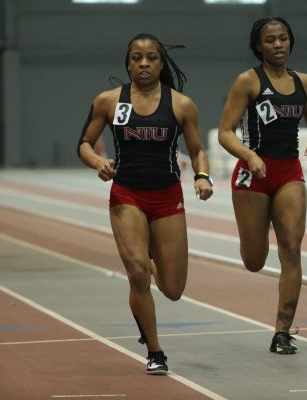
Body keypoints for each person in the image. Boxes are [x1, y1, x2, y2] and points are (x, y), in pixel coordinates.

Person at [77, 33, 213, 374]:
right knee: (137, 272)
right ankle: (155, 351)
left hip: (167, 197)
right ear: (128, 63)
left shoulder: (181, 104)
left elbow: (197, 149)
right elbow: (84, 144)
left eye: (151, 57)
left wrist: (202, 175)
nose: (144, 64)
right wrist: (98, 163)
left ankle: (150, 259)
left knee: (173, 288)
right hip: (127, 195)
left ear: (161, 63)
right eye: (137, 58)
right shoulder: (109, 101)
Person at [217, 17, 307, 354]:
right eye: (270, 40)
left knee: (291, 248)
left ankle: (282, 332)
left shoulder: (305, 83)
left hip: (289, 172)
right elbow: (224, 131)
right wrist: (248, 155)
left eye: (282, 39)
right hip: (253, 174)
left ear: (290, 42)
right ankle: (256, 231)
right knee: (254, 260)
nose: (277, 45)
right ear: (258, 46)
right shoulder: (247, 82)